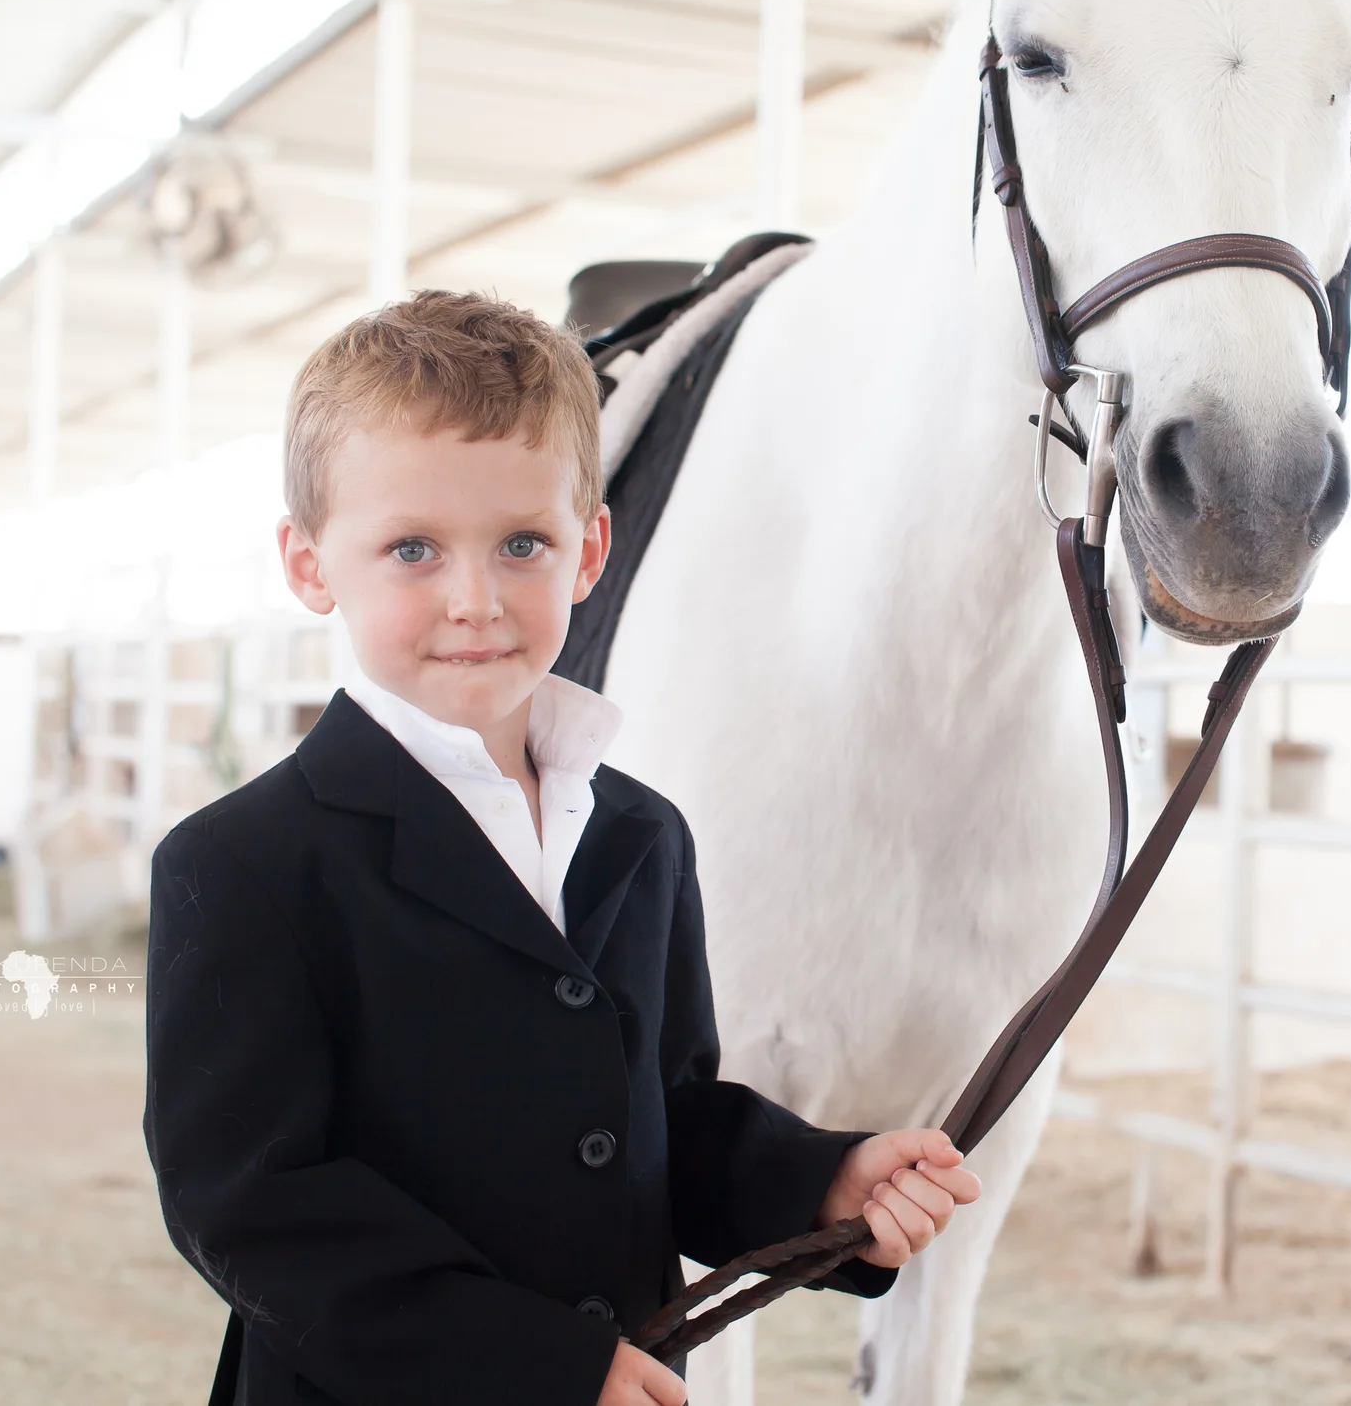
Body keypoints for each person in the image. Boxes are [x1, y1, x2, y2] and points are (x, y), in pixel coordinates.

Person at [145, 291, 980, 1406]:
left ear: (587, 550)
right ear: (309, 566)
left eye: (521, 544)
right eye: (411, 550)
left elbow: (661, 1126)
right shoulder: (241, 864)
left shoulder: (642, 834)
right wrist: (538, 1369)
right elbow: (250, 1208)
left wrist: (822, 1183)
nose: (475, 599)